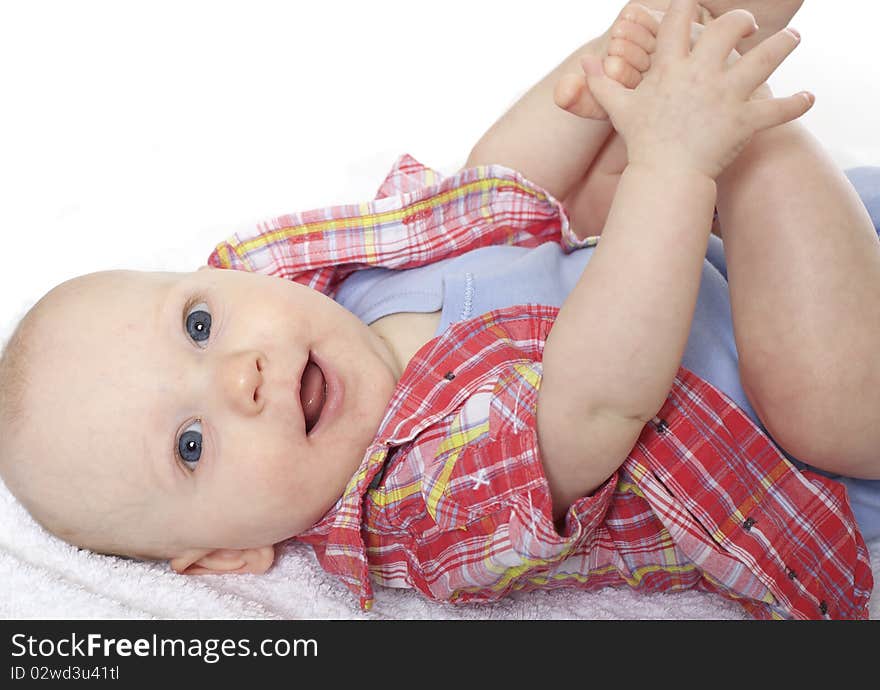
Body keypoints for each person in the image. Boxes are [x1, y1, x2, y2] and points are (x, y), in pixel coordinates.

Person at [0, 0, 876, 619]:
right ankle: (720, 68)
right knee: (712, 172)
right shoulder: (424, 505)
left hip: (810, 262)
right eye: (191, 444)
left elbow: (497, 188)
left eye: (199, 326)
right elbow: (601, 401)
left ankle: (680, 32)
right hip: (830, 435)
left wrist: (608, 65)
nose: (242, 376)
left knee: (604, 171)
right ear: (227, 555)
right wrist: (677, 162)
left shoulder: (359, 289)